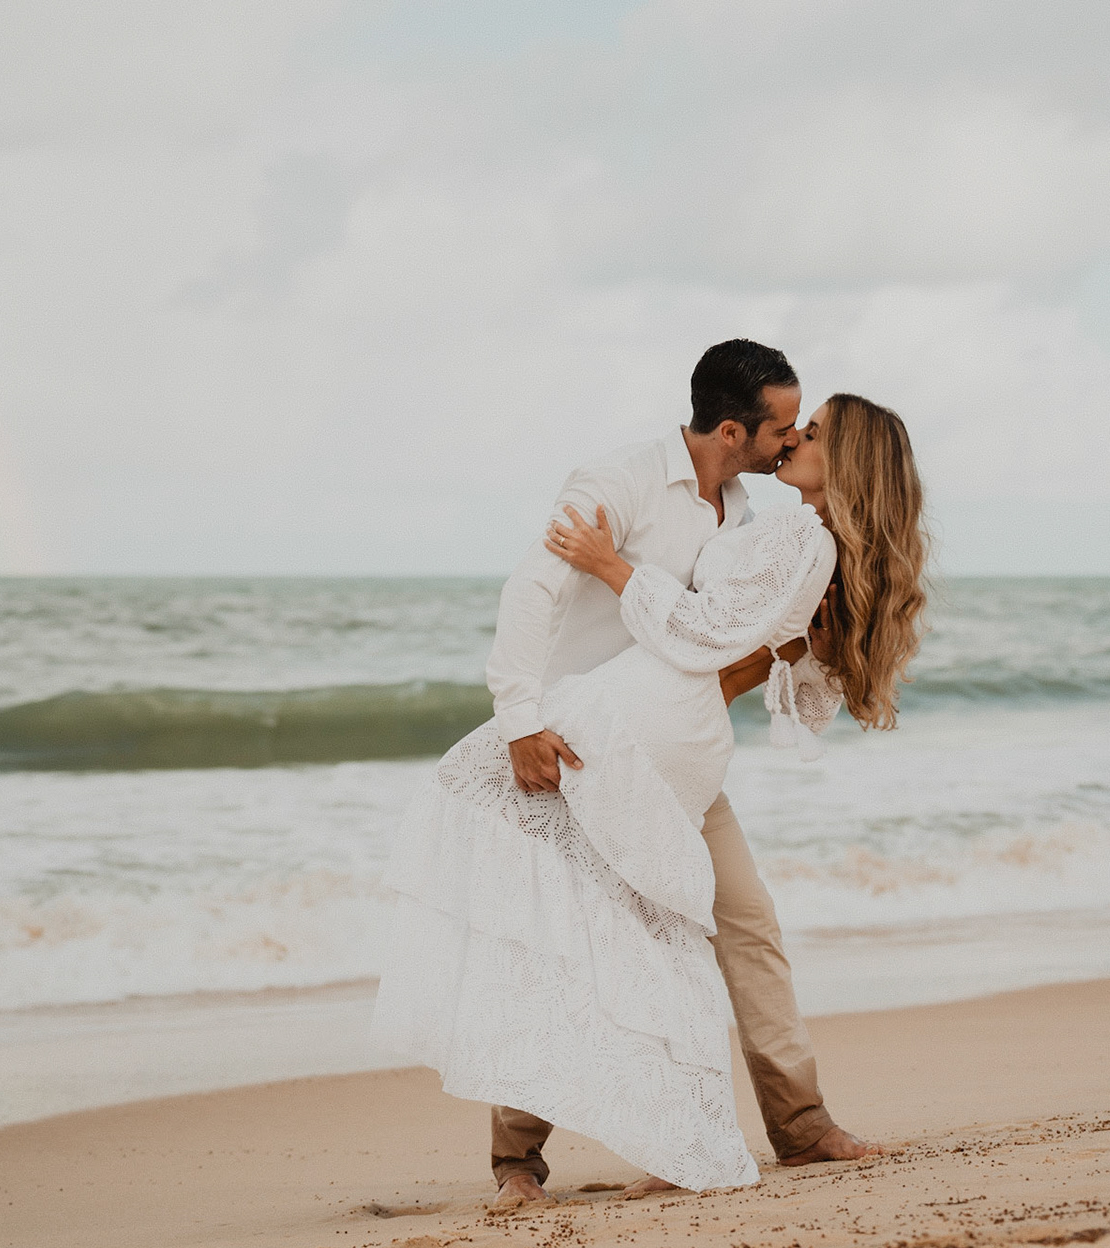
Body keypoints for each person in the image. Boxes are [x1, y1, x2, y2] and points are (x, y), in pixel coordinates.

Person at [370, 339, 928, 1196]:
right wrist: (521, 719)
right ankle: (517, 1157)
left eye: (805, 432)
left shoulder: (748, 512)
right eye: (787, 427)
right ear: (736, 428)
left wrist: (774, 659)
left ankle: (801, 1125)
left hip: (675, 755)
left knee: (747, 926)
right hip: (583, 751)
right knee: (573, 945)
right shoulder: (621, 481)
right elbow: (533, 593)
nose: (791, 442)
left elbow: (722, 643)